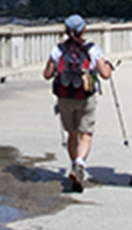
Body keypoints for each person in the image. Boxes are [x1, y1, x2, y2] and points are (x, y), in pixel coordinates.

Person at [43, 14, 112, 192]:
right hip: (86, 97)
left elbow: (47, 74)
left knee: (72, 134)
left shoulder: (58, 50)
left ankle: (74, 163)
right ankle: (80, 164)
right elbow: (105, 74)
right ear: (83, 30)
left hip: (65, 97)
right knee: (86, 134)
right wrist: (108, 67)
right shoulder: (92, 49)